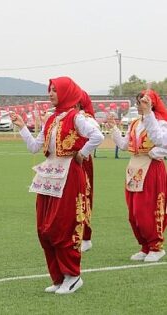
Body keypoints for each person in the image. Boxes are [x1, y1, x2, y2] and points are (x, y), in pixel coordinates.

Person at [10, 76, 104, 294]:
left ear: (67, 92)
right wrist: (23, 127)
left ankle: (73, 275)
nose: (50, 93)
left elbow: (97, 136)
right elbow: (35, 147)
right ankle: (58, 276)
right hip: (49, 175)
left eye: (54, 90)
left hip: (69, 174)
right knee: (44, 227)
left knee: (63, 225)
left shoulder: (77, 117)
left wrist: (82, 153)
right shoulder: (52, 119)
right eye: (49, 90)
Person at [107, 89, 167, 262]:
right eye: (139, 101)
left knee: (146, 210)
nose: (140, 104)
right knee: (133, 213)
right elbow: (125, 145)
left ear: (152, 103)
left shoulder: (161, 123)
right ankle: (145, 246)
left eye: (145, 101)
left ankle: (156, 246)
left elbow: (161, 141)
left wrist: (157, 152)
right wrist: (114, 129)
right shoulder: (134, 123)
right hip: (134, 168)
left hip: (151, 168)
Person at [77, 91, 98, 252]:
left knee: (83, 197)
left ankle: (85, 236)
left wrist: (82, 153)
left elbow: (96, 137)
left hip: (82, 161)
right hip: (65, 162)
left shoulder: (86, 119)